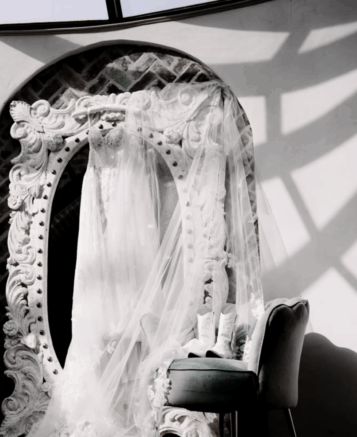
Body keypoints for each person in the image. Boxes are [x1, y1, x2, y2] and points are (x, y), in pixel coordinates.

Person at [29, 82, 273, 437]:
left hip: (129, 200)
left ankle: (126, 403)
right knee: (100, 293)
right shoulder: (100, 163)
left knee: (130, 291)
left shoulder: (141, 168)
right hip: (96, 193)